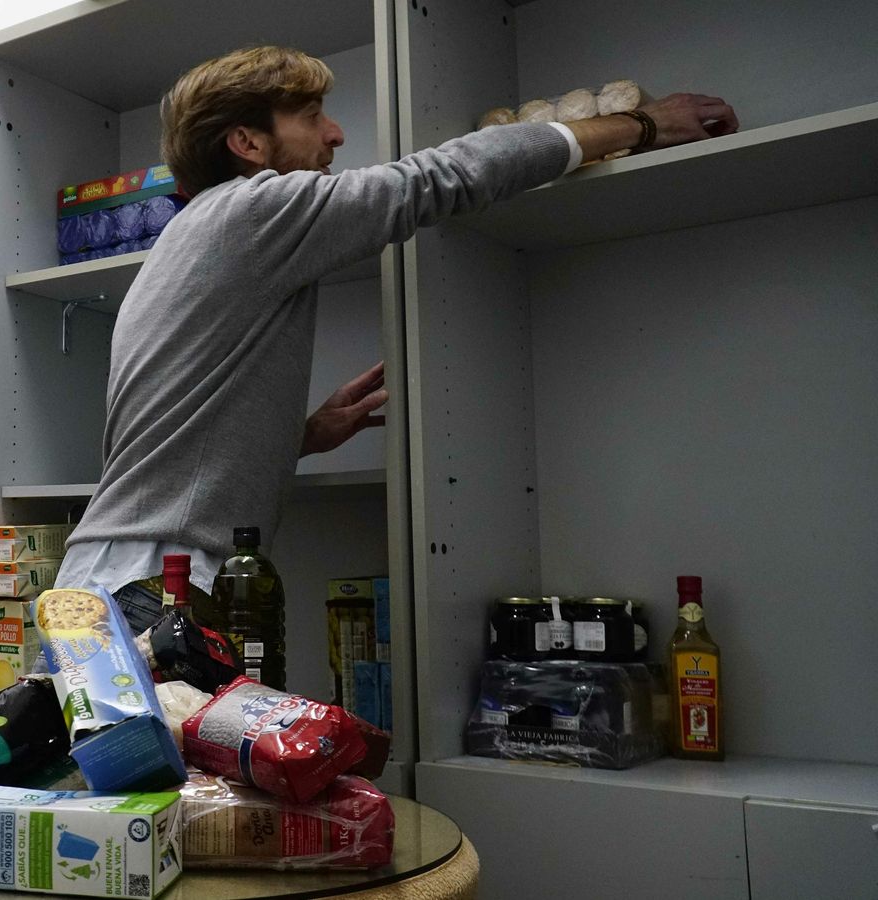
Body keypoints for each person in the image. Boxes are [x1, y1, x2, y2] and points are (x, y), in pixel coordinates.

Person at [55, 46, 737, 633]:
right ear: (248, 144)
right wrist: (644, 125)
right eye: (311, 116)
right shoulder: (254, 208)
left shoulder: (195, 233)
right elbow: (438, 179)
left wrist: (300, 435)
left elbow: (169, 442)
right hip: (155, 584)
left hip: (119, 577)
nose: (336, 134)